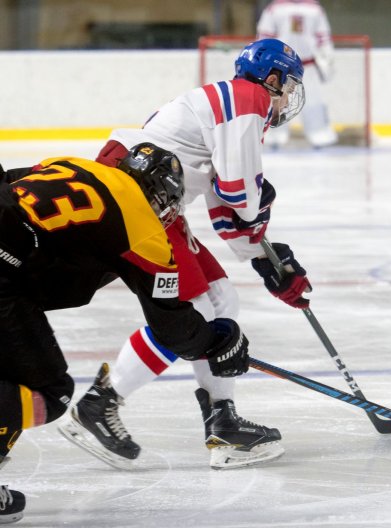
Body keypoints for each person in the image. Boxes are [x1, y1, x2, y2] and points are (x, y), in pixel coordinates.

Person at [58, 38, 313, 471]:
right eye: (287, 86)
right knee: (190, 310)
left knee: (220, 300)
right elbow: (240, 196)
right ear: (271, 79)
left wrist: (266, 261)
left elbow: (226, 206)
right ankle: (100, 405)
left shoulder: (231, 105)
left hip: (156, 202)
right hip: (133, 197)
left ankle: (223, 422)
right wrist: (261, 209)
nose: (287, 97)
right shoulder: (247, 99)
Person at [0, 143, 251, 524]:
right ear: (159, 193)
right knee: (49, 394)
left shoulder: (69, 164)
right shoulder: (141, 224)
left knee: (10, 375)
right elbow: (173, 328)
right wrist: (220, 340)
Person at [257, 0, 338, 148]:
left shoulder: (314, 9)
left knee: (313, 102)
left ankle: (319, 134)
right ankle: (275, 136)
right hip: (282, 66)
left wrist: (327, 57)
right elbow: (265, 37)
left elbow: (323, 37)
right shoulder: (275, 9)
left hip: (306, 65)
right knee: (278, 102)